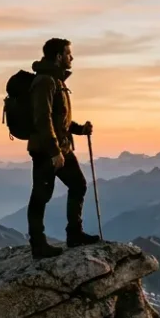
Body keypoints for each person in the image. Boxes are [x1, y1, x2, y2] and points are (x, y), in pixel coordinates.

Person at [26, 37, 101, 258]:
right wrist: (54, 152)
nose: (72, 58)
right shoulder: (45, 82)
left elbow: (61, 121)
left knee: (78, 185)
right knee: (40, 196)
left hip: (62, 149)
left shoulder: (57, 82)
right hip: (46, 152)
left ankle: (74, 234)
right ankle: (38, 244)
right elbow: (42, 119)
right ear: (59, 56)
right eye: (69, 53)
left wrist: (80, 129)